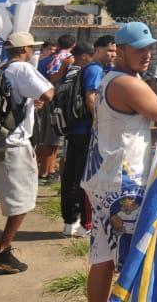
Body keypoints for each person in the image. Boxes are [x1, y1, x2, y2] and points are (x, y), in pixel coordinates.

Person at [81, 21, 157, 302]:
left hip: (104, 178)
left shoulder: (109, 79)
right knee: (132, 260)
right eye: (139, 49)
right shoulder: (127, 83)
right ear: (121, 51)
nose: (147, 55)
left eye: (150, 49)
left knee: (103, 257)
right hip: (123, 184)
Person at [0, 32, 54, 274]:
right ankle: (3, 251)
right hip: (12, 144)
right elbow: (48, 93)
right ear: (26, 49)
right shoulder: (22, 69)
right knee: (23, 199)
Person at [60, 42, 99, 237]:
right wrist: (99, 123)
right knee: (85, 178)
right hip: (85, 130)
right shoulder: (94, 69)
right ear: (88, 55)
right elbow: (90, 99)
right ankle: (86, 223)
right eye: (109, 50)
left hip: (73, 127)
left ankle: (70, 221)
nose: (112, 54)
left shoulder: (71, 71)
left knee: (71, 177)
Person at [35, 34, 75, 181]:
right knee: (53, 137)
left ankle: (47, 169)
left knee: (49, 136)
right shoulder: (69, 59)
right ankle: (45, 171)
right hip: (58, 100)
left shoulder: (48, 59)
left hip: (47, 97)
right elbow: (58, 78)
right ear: (74, 45)